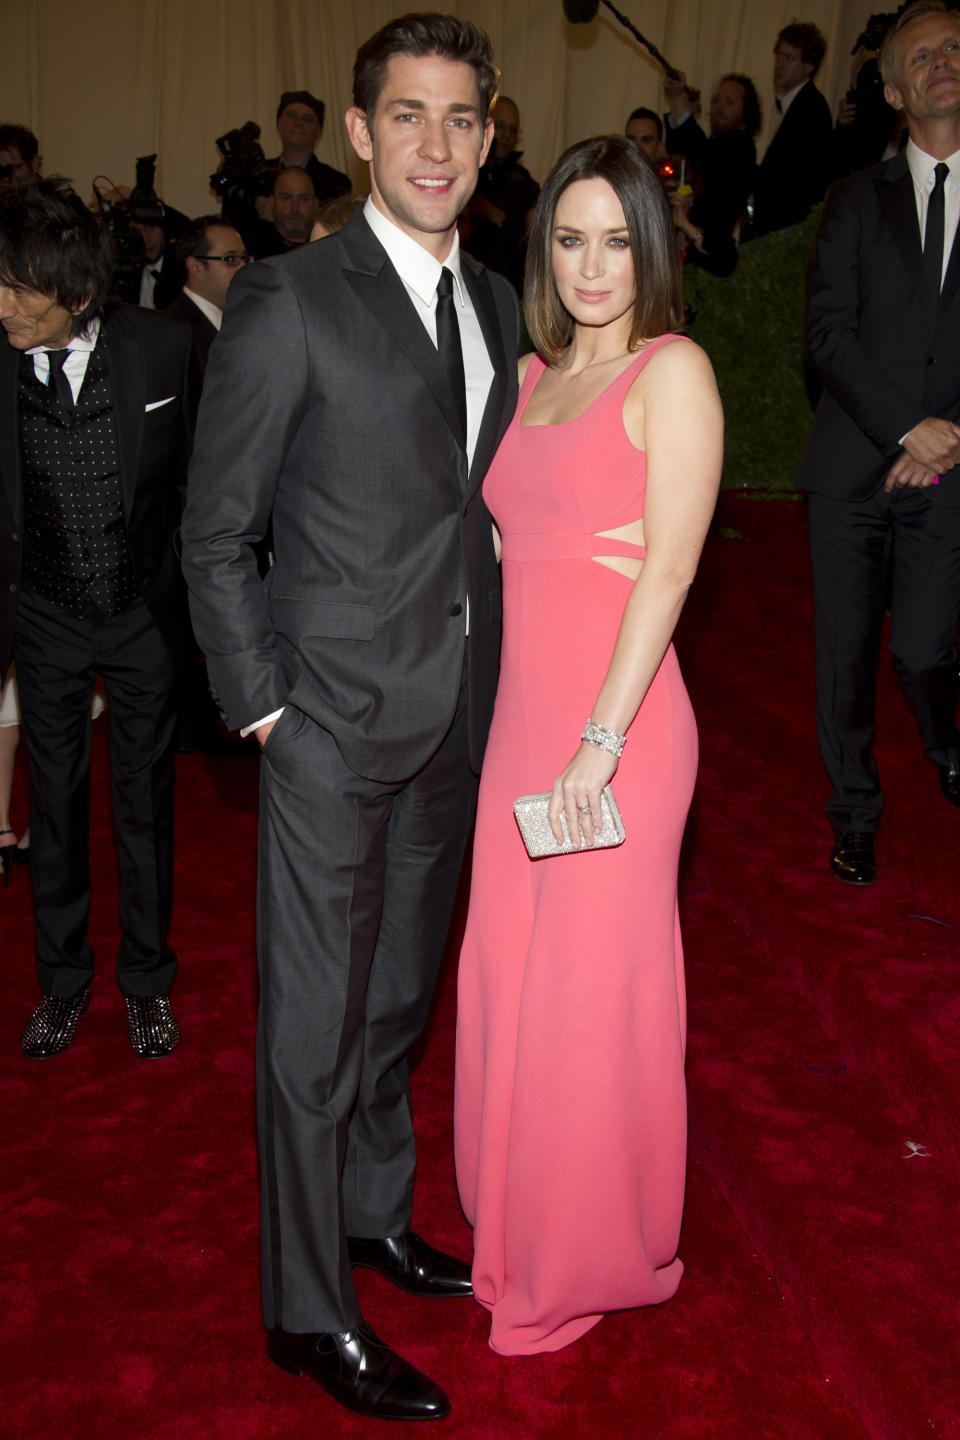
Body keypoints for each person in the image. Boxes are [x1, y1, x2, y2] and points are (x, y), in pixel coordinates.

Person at [180, 12, 519, 1422]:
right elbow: (215, 531)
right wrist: (267, 712)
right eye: (409, 117)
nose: (435, 144)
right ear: (362, 134)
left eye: (462, 119)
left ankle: (375, 1220)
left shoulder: (500, 301)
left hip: (456, 716)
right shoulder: (289, 298)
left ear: (489, 139)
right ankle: (308, 1314)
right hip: (324, 725)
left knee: (395, 1002)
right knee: (312, 1033)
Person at [454, 133, 723, 1355]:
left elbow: (667, 568)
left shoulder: (674, 371)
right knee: (512, 983)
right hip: (522, 726)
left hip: (618, 730)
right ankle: (512, 1231)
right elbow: (509, 551)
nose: (594, 264)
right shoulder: (525, 376)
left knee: (585, 1002)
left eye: (619, 239)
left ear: (650, 250)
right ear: (544, 249)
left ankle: (584, 1257)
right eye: (572, 238)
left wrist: (599, 743)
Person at [0, 177, 197, 1056]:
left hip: (138, 610)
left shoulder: (162, 346)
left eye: (18, 289)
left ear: (76, 294)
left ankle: (147, 981)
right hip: (42, 610)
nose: (2, 306)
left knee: (145, 801)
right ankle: (63, 980)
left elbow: (203, 478)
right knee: (55, 798)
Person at [798, 0, 960, 887]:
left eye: (955, 48)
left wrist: (948, 440)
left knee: (926, 648)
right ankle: (854, 813)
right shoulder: (854, 201)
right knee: (846, 658)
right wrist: (908, 426)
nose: (942, 61)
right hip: (852, 468)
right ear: (895, 89)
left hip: (953, 472)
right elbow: (828, 336)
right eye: (921, 56)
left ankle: (946, 739)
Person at [663, 69, 761, 274]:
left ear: (746, 111)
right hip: (695, 255)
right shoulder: (719, 145)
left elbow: (703, 158)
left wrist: (678, 101)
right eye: (716, 100)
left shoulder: (742, 148)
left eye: (729, 102)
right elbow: (684, 153)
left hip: (714, 259)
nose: (719, 107)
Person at [753, 22, 833, 235]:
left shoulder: (812, 108)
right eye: (778, 55)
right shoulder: (796, 103)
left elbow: (805, 182)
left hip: (787, 231)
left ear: (809, 65)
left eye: (789, 58)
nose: (779, 64)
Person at [165, 215, 250, 372]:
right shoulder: (173, 330)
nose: (243, 268)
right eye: (231, 259)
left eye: (244, 258)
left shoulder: (246, 317)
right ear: (196, 267)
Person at [267, 90, 351, 205]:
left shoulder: (336, 182)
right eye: (291, 115)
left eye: (307, 118)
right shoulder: (259, 176)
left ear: (319, 130)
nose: (298, 123)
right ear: (279, 123)